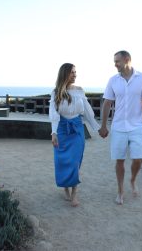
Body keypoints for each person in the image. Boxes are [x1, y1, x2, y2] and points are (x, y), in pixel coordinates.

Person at [99, 50, 142, 205]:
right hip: (118, 126)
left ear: (127, 60)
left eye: (117, 61)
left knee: (138, 159)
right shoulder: (113, 80)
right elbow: (107, 103)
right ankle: (120, 190)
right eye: (114, 61)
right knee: (120, 160)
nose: (115, 64)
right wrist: (103, 126)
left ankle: (133, 179)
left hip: (138, 125)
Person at [49, 63, 100, 207]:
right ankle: (65, 188)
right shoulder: (56, 92)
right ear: (65, 74)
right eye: (72, 72)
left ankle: (74, 194)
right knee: (63, 161)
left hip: (77, 129)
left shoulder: (79, 91)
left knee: (75, 161)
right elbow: (54, 113)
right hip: (61, 130)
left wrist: (97, 128)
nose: (75, 74)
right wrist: (53, 132)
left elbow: (88, 112)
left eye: (75, 72)